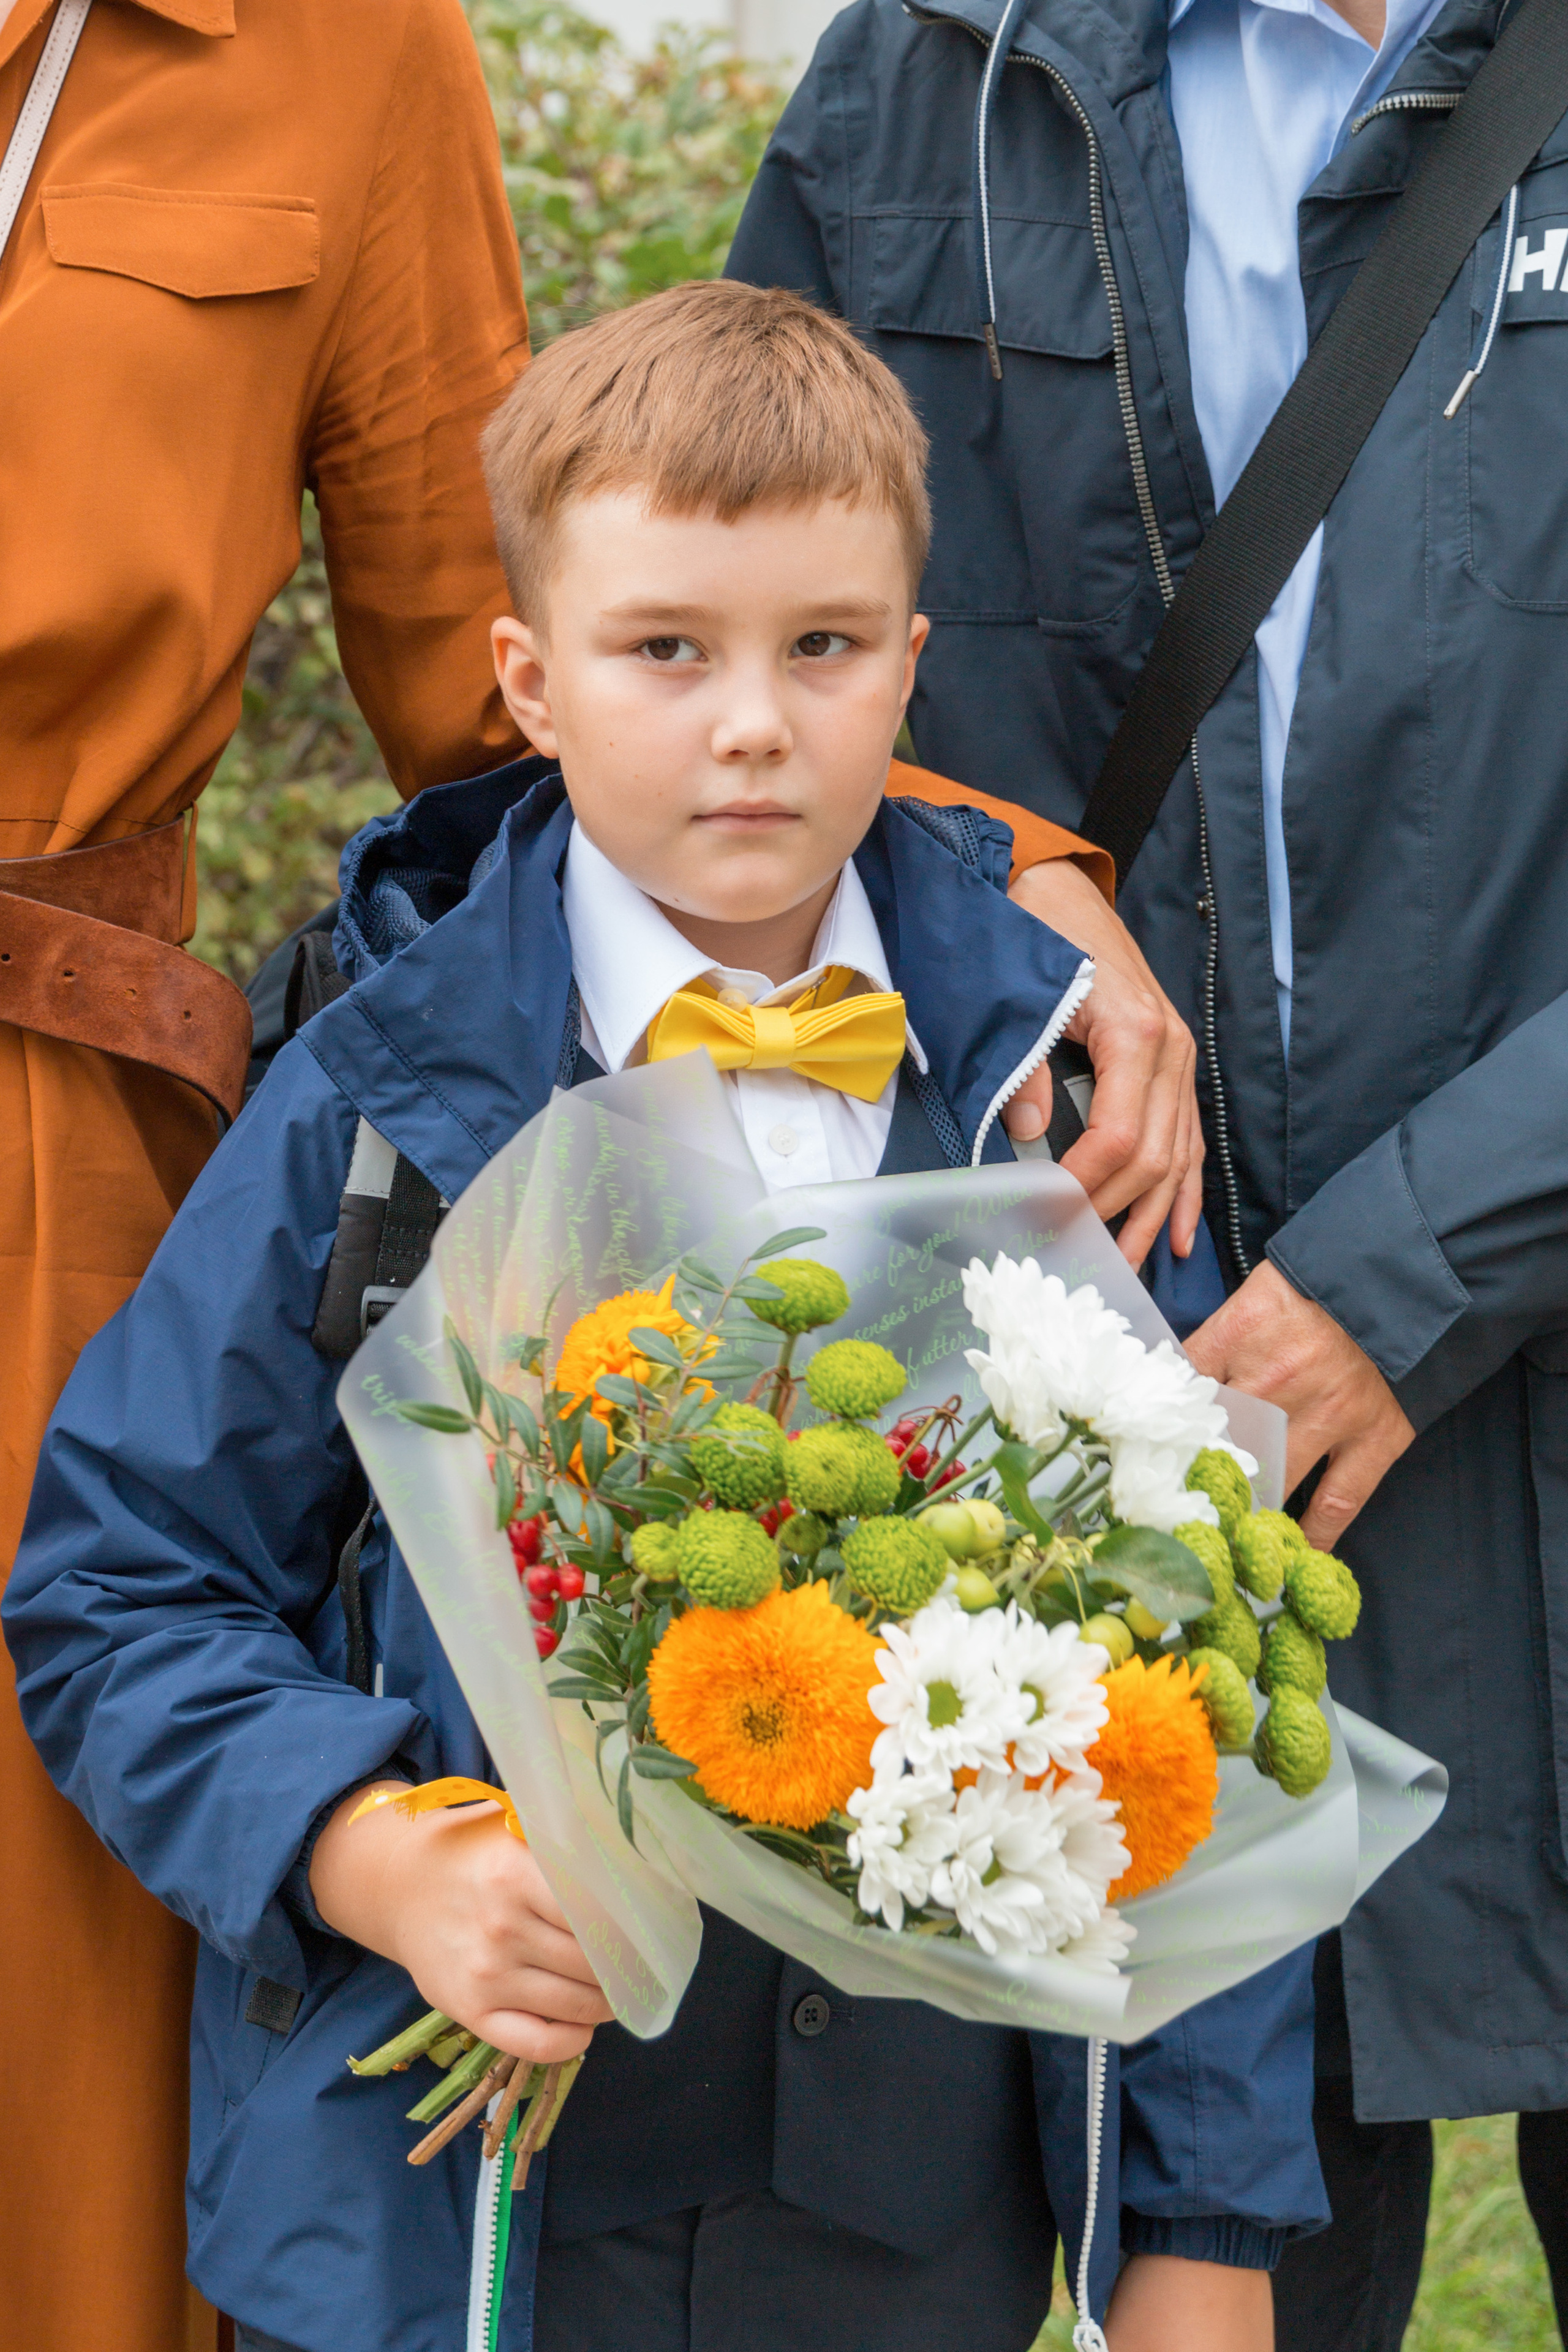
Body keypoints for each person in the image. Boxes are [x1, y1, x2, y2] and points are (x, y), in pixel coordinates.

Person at [6, 281, 1325, 2352]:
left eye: (819, 648)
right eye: (665, 651)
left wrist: (1205, 2234)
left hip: (915, 2213)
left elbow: (1197, 1675)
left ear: (911, 663)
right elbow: (119, 1587)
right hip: (462, 2208)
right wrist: (369, 1853)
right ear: (527, 679)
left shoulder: (1051, 1105)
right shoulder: (375, 1104)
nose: (749, 721)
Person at [726, 0, 1568, 2342]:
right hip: (1154, 1420)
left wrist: (1410, 1271)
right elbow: (728, 629)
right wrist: (1008, 862)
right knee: (1229, 2248)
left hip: (1438, 1344)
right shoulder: (927, 67)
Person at [0, 1, 530, 2343]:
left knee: (52, 2034)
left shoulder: (339, 45)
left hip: (32, 1172)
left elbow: (517, 671)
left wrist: (988, 888)